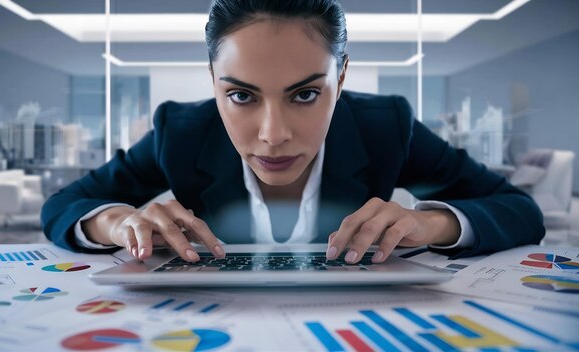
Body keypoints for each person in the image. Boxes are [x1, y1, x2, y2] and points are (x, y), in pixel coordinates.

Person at [41, 0, 544, 265]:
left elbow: (520, 210)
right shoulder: (181, 131)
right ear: (212, 82)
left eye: (305, 94)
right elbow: (65, 204)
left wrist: (431, 225)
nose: (273, 135)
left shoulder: (385, 125)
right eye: (241, 95)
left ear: (341, 77)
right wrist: (116, 224)